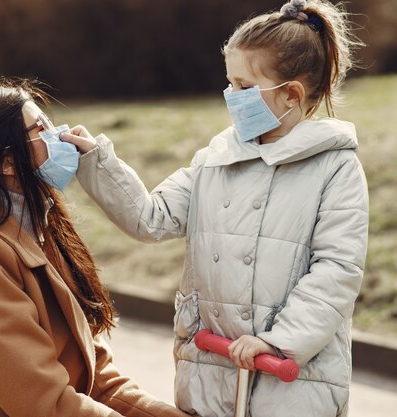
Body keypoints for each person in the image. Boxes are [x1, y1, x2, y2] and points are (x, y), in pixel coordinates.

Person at [60, 1, 368, 416]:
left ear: (291, 95)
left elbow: (337, 269)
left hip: (290, 380)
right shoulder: (215, 158)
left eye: (243, 87)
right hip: (212, 366)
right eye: (229, 84)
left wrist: (279, 341)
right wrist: (97, 160)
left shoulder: (335, 167)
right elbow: (151, 218)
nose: (231, 97)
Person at [0, 78, 192, 417]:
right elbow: (42, 400)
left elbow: (99, 382)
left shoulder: (44, 234)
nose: (62, 136)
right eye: (42, 129)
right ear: (7, 162)